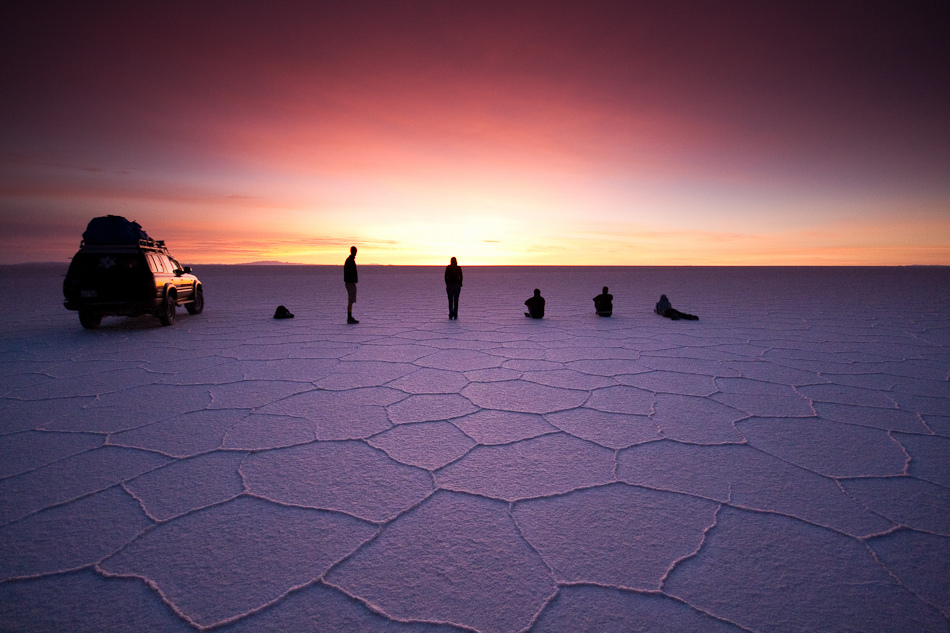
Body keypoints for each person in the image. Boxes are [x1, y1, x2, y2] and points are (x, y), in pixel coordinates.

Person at [344, 246, 359, 324]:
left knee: (351, 300)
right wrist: (352, 281)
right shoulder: (350, 260)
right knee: (350, 300)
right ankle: (349, 318)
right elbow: (350, 272)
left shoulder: (350, 260)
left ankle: (350, 317)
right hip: (350, 283)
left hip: (350, 282)